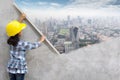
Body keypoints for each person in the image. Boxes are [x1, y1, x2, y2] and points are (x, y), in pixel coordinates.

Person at [6, 13, 45, 80]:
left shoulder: (10, 41)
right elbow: (33, 45)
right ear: (18, 32)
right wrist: (41, 40)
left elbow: (13, 29)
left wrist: (21, 18)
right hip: (20, 69)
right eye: (20, 30)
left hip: (11, 67)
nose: (21, 31)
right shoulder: (22, 44)